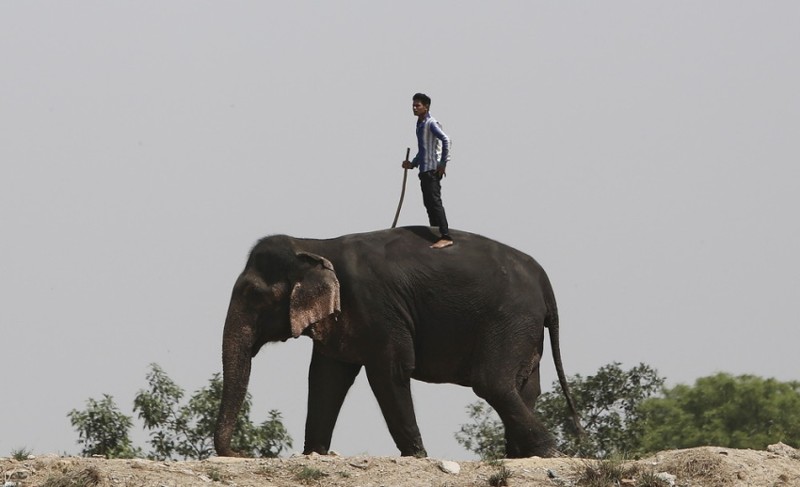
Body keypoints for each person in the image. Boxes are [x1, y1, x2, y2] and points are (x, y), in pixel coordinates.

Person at [402, 93, 453, 249]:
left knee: (435, 202)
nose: (414, 108)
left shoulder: (431, 123)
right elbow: (422, 150)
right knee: (428, 204)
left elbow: (446, 139)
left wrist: (443, 163)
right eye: (413, 105)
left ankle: (445, 235)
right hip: (424, 170)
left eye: (418, 105)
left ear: (426, 107)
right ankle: (435, 232)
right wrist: (412, 164)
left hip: (432, 170)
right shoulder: (419, 124)